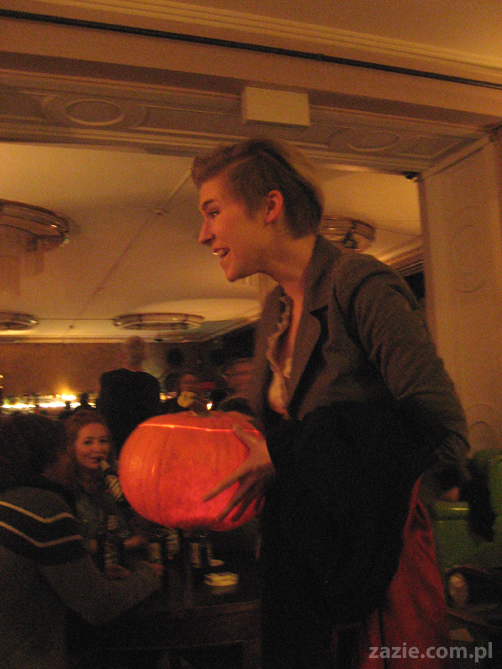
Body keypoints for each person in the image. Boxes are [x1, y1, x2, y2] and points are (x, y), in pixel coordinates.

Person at [192, 137, 470, 668]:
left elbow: (445, 433)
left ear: (270, 207)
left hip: (370, 574)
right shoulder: (274, 308)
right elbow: (279, 438)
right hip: (301, 565)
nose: (204, 233)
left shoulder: (359, 284)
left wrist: (306, 454)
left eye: (212, 211)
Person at [0, 412, 163, 669]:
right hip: (29, 656)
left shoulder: (10, 497)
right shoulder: (41, 506)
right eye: (64, 451)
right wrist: (147, 575)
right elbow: (99, 605)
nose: (68, 459)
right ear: (48, 457)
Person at [64, 410, 149, 574]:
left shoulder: (120, 474)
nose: (98, 448)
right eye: (88, 442)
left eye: (103, 441)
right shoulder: (64, 486)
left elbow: (143, 526)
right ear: (71, 447)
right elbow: (70, 544)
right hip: (87, 570)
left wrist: (134, 497)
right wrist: (125, 544)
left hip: (127, 565)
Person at [97, 335, 161, 453]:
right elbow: (153, 415)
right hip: (141, 439)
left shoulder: (109, 378)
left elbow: (103, 410)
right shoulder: (151, 382)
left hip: (115, 439)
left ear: (123, 354)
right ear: (144, 357)